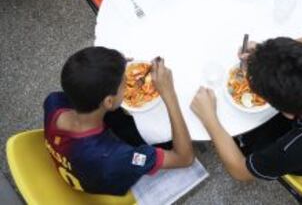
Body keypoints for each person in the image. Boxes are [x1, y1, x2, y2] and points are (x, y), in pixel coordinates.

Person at [191, 34, 302, 181]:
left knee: (257, 139)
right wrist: (272, 56)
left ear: (287, 113)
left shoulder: (295, 148)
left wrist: (209, 119)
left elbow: (241, 171)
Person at [44, 47, 194, 195]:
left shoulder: (53, 102)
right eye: (125, 84)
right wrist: (169, 94)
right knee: (166, 140)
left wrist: (110, 64)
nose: (127, 83)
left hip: (80, 163)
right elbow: (185, 158)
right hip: (105, 172)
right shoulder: (118, 157)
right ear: (109, 101)